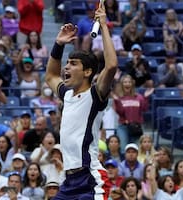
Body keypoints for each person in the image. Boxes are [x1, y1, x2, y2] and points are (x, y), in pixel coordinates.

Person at [44, 1, 118, 198]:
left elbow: (111, 66)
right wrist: (59, 44)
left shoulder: (95, 95)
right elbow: (51, 76)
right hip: (69, 182)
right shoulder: (67, 95)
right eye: (67, 63)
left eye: (73, 64)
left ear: (87, 72)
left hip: (91, 179)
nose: (66, 67)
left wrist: (103, 25)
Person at [113, 74, 153, 150]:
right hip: (123, 126)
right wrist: (117, 101)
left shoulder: (139, 97)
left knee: (136, 150)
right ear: (122, 84)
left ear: (132, 84)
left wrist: (146, 98)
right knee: (123, 149)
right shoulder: (119, 98)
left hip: (136, 127)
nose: (127, 84)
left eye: (129, 82)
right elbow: (120, 112)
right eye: (125, 82)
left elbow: (144, 109)